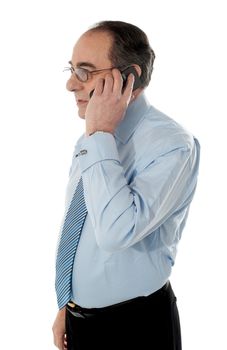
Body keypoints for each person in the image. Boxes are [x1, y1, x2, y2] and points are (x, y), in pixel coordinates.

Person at [52, 20, 200, 350]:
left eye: (85, 72)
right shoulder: (92, 135)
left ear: (128, 77)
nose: (70, 85)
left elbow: (116, 233)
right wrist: (69, 304)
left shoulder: (172, 145)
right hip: (80, 323)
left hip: (135, 328)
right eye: (71, 69)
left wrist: (101, 135)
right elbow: (84, 229)